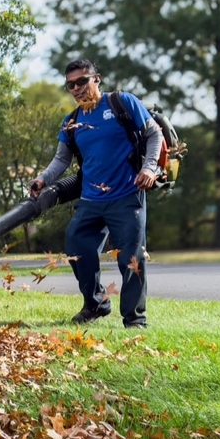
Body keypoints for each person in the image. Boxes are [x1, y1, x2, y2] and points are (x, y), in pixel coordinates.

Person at [28, 59, 164, 328]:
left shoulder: (121, 103)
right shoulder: (72, 122)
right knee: (76, 247)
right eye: (70, 85)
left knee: (132, 259)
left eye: (82, 81)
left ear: (96, 79)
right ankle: (96, 304)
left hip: (127, 195)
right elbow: (61, 161)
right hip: (91, 199)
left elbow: (154, 135)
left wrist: (150, 168)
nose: (76, 88)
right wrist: (43, 179)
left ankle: (135, 320)